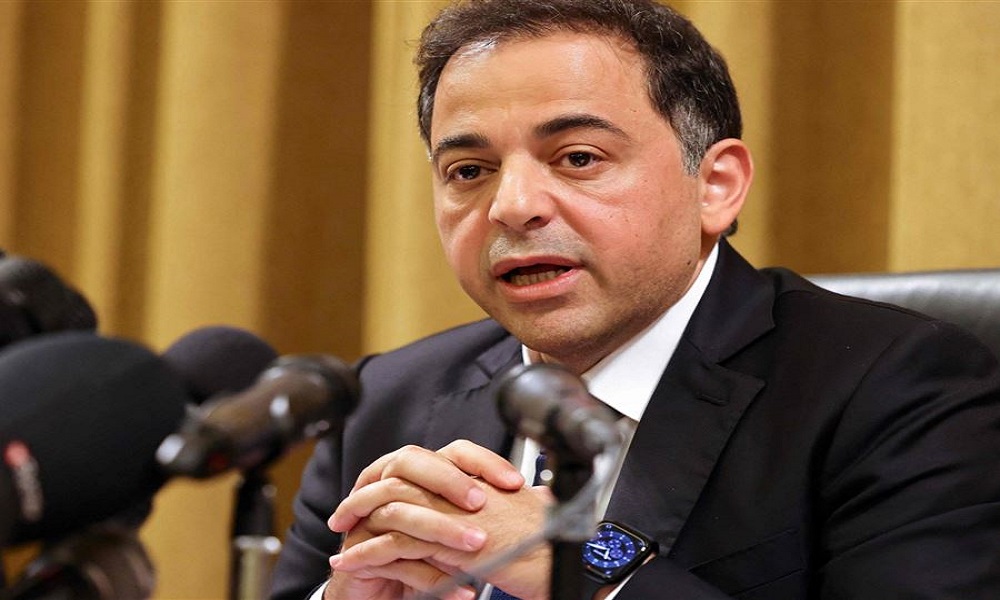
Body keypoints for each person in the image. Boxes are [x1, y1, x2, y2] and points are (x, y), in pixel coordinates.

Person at [269, 0, 1000, 598]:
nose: (512, 206)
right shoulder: (384, 403)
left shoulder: (895, 389)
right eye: (468, 170)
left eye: (577, 158)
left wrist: (580, 566)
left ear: (715, 186)